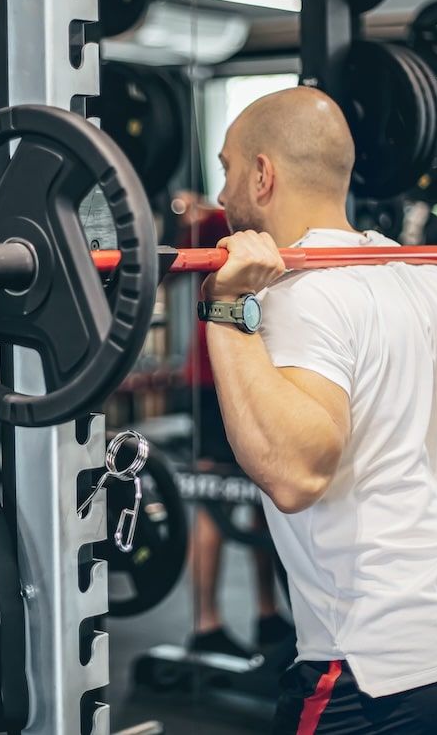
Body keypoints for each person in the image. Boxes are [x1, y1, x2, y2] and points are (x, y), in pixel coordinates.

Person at [199, 87, 437, 734]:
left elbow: (296, 473)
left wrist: (225, 311)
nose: (222, 194)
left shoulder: (298, 297)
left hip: (389, 669)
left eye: (227, 169)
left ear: (261, 174)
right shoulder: (436, 281)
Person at [176, 190, 292, 659]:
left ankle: (267, 614)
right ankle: (206, 624)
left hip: (259, 373)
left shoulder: (277, 221)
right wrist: (189, 209)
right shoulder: (218, 221)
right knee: (212, 499)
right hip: (211, 380)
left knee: (263, 496)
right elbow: (176, 233)